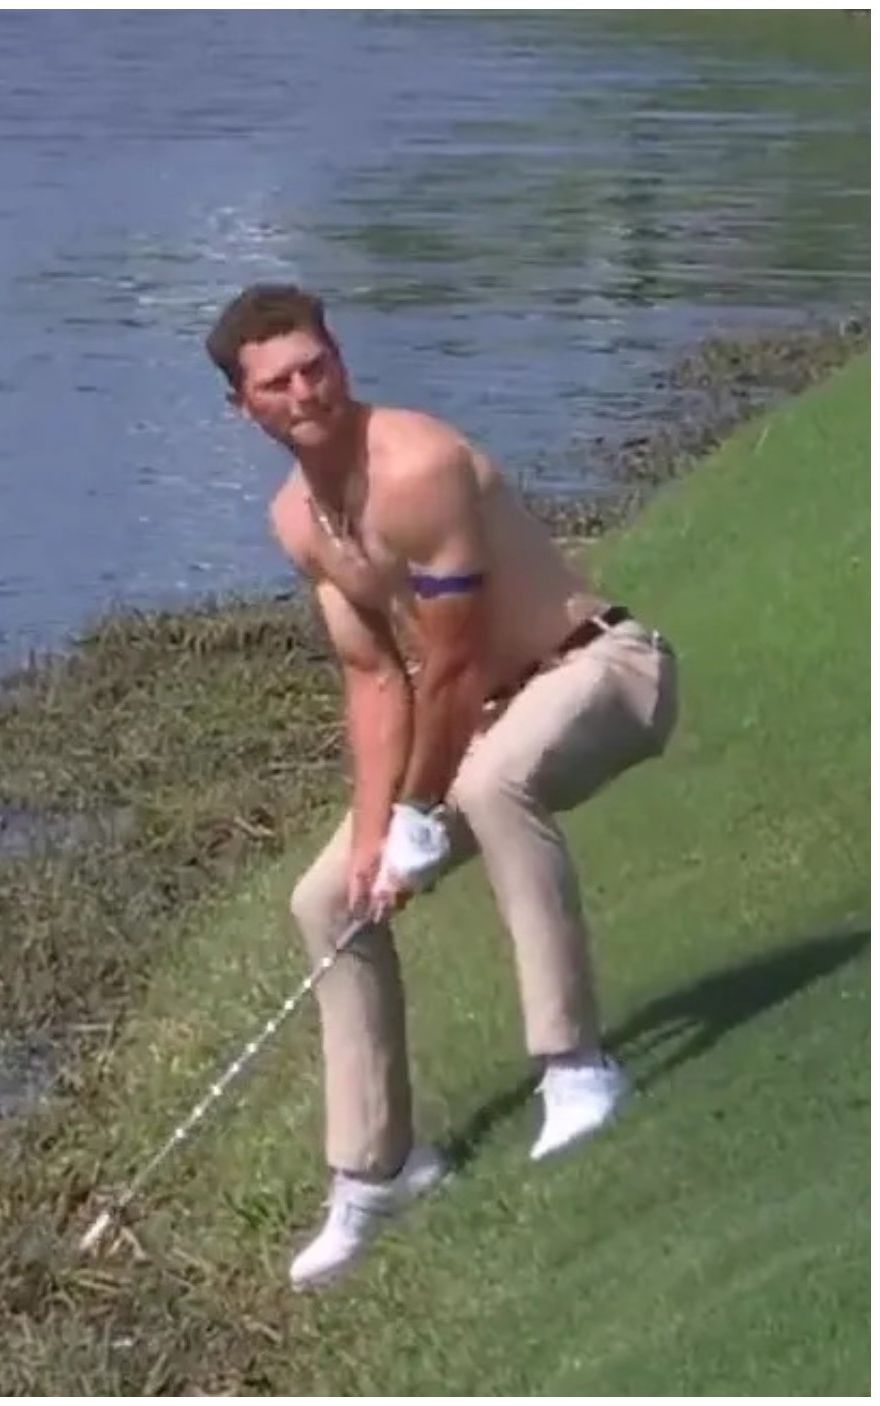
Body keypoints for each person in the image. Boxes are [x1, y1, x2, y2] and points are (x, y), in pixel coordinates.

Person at [205, 284, 679, 1289]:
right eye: (276, 382)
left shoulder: (413, 466)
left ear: (339, 358)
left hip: (598, 670)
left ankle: (576, 1066)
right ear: (243, 407)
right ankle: (379, 1168)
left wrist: (422, 812)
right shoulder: (297, 519)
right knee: (328, 895)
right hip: (486, 714)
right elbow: (378, 680)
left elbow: (452, 666)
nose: (304, 391)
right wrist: (380, 829)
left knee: (494, 781)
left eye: (315, 365)